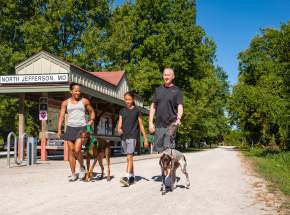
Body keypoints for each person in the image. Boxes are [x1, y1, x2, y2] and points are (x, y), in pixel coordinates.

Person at [57, 83, 95, 181]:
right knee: (72, 151)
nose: (78, 92)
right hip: (70, 128)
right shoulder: (65, 103)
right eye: (76, 91)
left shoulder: (84, 101)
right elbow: (61, 116)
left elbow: (91, 112)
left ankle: (82, 167)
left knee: (77, 150)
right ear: (71, 91)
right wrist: (59, 129)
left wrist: (90, 121)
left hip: (81, 128)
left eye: (79, 91)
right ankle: (73, 174)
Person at [118, 91, 149, 186]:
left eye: (129, 99)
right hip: (124, 136)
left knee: (129, 157)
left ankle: (126, 177)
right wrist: (119, 129)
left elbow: (141, 126)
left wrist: (145, 138)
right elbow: (119, 123)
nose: (127, 101)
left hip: (133, 136)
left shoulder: (136, 111)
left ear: (133, 100)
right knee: (129, 158)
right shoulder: (122, 111)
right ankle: (132, 177)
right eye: (126, 99)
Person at [149, 68, 183, 153]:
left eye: (168, 75)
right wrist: (150, 123)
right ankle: (167, 166)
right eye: (165, 75)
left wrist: (178, 119)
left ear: (173, 77)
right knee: (161, 152)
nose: (166, 77)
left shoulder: (177, 91)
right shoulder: (158, 90)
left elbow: (180, 106)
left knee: (169, 151)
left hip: (171, 124)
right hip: (159, 125)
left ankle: (169, 166)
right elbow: (153, 106)